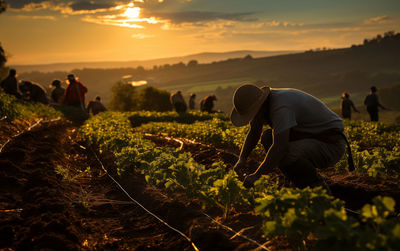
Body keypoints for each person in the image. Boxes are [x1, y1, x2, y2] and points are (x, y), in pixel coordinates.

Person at [231, 84, 350, 192]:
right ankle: (296, 182)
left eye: (253, 114)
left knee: (286, 153)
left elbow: (280, 148)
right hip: (309, 137)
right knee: (268, 137)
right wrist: (242, 158)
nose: (253, 118)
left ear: (260, 107)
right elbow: (255, 130)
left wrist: (257, 175)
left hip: (330, 144)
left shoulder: (280, 107)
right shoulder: (265, 104)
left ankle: (319, 191)